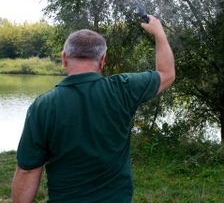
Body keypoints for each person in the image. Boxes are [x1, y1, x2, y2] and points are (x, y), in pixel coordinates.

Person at [12, 15, 175, 203]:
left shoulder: (43, 106)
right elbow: (167, 73)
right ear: (102, 60)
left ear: (64, 58)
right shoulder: (123, 90)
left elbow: (27, 170)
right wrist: (159, 32)